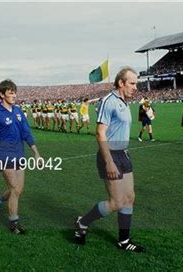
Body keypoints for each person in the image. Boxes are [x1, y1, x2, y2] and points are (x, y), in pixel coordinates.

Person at [75, 67, 145, 253]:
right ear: (121, 83)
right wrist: (109, 162)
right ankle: (82, 223)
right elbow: (100, 133)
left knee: (129, 198)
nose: (135, 87)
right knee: (116, 202)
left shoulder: (124, 102)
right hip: (110, 156)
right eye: (132, 83)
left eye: (136, 83)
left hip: (123, 154)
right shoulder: (108, 101)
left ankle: (124, 241)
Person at [0, 79, 41, 235]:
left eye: (14, 92)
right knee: (15, 189)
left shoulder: (18, 111)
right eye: (10, 92)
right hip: (4, 155)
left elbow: (26, 133)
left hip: (19, 154)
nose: (14, 95)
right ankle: (13, 222)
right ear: (2, 95)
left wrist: (36, 152)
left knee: (18, 189)